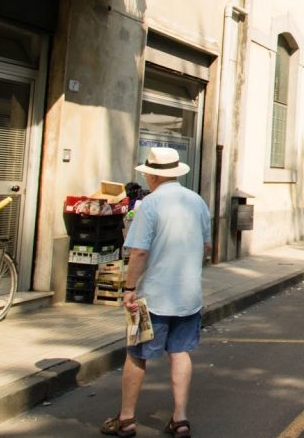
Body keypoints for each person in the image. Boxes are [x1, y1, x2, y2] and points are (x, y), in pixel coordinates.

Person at [101, 148, 211, 438]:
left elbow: (138, 252)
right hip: (189, 296)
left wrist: (129, 288)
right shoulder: (197, 202)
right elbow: (207, 247)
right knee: (180, 352)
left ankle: (126, 419)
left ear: (152, 175)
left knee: (137, 355)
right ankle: (181, 419)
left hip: (153, 297)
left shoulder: (150, 205)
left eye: (147, 173)